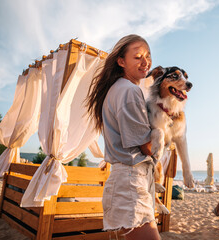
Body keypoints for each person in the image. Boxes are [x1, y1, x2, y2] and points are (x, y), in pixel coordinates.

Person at [86, 34, 160, 240]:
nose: (145, 62)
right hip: (131, 181)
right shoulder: (129, 91)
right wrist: (166, 130)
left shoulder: (115, 90)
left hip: (126, 180)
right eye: (137, 56)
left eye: (148, 55)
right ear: (121, 61)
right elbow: (147, 147)